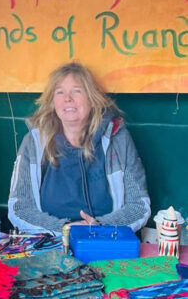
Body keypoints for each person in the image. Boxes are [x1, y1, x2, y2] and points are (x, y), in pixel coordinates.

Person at [8, 62, 151, 234]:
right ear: (53, 101)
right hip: (51, 241)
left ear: (91, 98)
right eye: (60, 92)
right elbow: (19, 208)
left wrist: (99, 226)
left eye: (77, 91)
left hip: (105, 240)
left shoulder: (117, 138)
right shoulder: (34, 142)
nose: (67, 98)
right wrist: (64, 229)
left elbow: (139, 205)